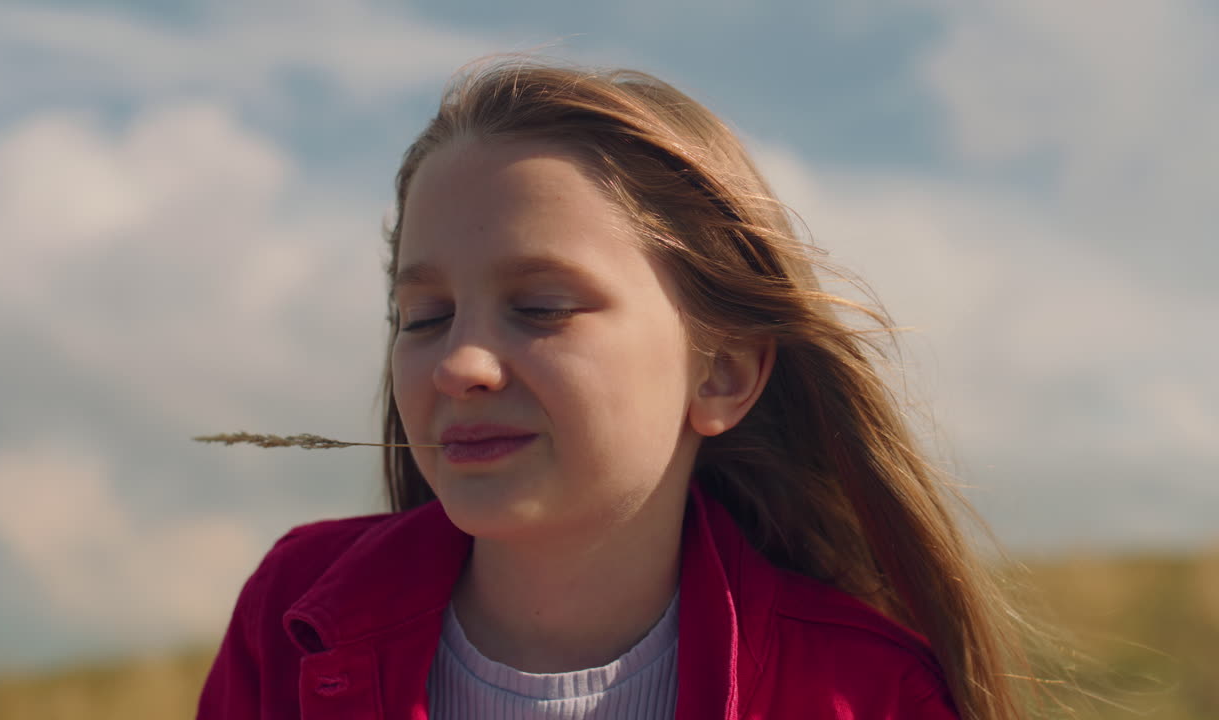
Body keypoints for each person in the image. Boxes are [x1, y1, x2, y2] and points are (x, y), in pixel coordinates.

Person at [198, 58, 1034, 719]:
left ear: (723, 373)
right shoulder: (290, 612)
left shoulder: (872, 692)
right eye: (426, 317)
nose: (460, 364)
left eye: (541, 307)